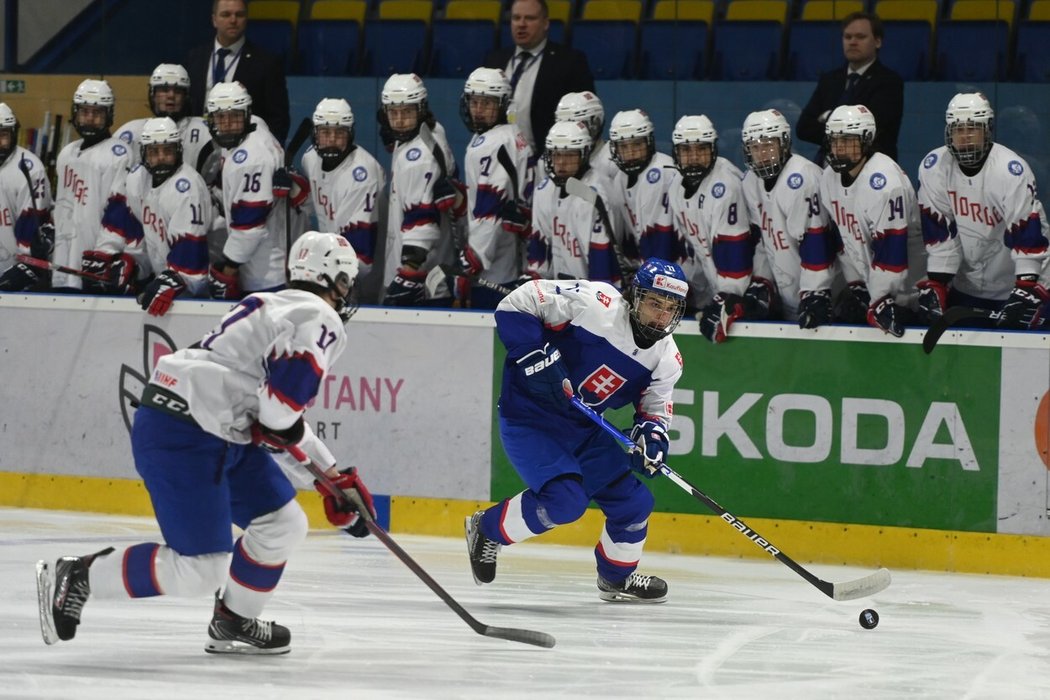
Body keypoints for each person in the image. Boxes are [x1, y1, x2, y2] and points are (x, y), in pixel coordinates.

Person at [35, 231, 375, 655]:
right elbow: (278, 415)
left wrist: (333, 476)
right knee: (200, 569)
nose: (346, 292)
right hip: (188, 431)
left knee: (283, 523)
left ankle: (234, 620)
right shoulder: (317, 315)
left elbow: (274, 418)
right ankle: (81, 575)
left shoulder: (276, 303)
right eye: (345, 280)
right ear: (332, 278)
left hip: (207, 425)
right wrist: (330, 479)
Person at [465, 259, 687, 603]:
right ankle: (486, 528)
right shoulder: (595, 303)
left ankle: (616, 579)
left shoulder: (667, 358)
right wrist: (532, 352)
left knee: (634, 503)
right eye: (654, 303)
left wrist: (652, 438)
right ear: (635, 296)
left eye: (670, 308)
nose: (661, 315)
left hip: (583, 428)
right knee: (565, 503)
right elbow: (516, 302)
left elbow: (655, 410)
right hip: (530, 417)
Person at [916, 92, 1050, 329]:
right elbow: (940, 236)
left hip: (1028, 285)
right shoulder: (934, 167)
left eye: (972, 128)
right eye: (958, 129)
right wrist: (937, 285)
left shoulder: (1011, 170)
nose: (965, 136)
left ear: (987, 130)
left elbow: (1028, 238)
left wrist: (1028, 288)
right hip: (969, 286)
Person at [665, 115, 774, 343]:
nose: (694, 158)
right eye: (686, 151)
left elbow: (736, 257)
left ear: (713, 149)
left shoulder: (725, 186)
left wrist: (726, 299)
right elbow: (695, 249)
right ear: (676, 153)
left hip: (752, 290)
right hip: (722, 286)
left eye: (701, 149)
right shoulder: (676, 186)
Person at [93, 117, 213, 316]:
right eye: (153, 152)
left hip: (192, 294)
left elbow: (192, 255)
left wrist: (173, 281)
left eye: (168, 151)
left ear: (179, 151)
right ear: (143, 153)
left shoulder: (187, 189)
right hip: (163, 281)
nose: (161, 157)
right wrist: (132, 263)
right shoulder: (137, 179)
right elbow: (139, 230)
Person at [820, 105, 922, 337]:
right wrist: (857, 286)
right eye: (834, 141)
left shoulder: (884, 182)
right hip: (874, 293)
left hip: (909, 294)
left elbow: (892, 256)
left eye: (847, 140)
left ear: (867, 140)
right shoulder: (829, 178)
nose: (839, 148)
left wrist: (880, 298)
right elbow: (844, 240)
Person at [205, 81, 306, 300]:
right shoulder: (256, 125)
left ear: (247, 114)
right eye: (221, 117)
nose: (228, 124)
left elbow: (249, 227)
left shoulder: (250, 160)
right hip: (272, 256)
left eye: (234, 116)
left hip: (265, 271)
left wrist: (229, 268)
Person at [740, 109, 838, 328]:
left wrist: (815, 292)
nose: (762, 154)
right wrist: (762, 282)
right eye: (755, 147)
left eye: (768, 145)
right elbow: (762, 240)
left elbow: (817, 243)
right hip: (789, 299)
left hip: (825, 300)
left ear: (784, 144)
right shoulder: (749, 182)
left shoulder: (802, 178)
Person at [376, 73, 462, 307]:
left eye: (407, 112)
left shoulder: (419, 158)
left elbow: (421, 222)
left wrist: (408, 274)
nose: (401, 120)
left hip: (421, 280)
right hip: (435, 271)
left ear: (421, 109)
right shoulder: (433, 131)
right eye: (394, 113)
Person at [458, 67, 534, 309]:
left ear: (502, 105)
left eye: (487, 103)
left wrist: (473, 259)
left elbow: (490, 207)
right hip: (518, 256)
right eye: (475, 102)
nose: (479, 110)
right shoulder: (513, 134)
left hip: (496, 267)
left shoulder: (492, 143)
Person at [50, 79, 134, 293]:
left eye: (97, 113)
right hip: (63, 257)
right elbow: (62, 205)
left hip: (96, 263)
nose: (89, 119)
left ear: (109, 116)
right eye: (84, 112)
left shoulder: (119, 154)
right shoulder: (67, 152)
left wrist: (105, 253)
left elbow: (120, 210)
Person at [483, 0, 595, 153]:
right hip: (497, 156)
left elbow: (586, 116)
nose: (521, 24)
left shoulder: (569, 62)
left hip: (547, 159)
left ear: (545, 23)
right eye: (516, 18)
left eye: (530, 18)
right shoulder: (495, 60)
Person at [300, 97, 385, 291]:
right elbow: (319, 204)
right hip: (330, 267)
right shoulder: (310, 159)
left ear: (350, 134)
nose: (331, 139)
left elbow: (360, 256)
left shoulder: (362, 173)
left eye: (339, 133)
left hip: (358, 275)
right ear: (315, 134)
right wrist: (297, 193)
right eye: (325, 133)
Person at [796, 12, 904, 165]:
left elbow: (872, 132)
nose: (852, 42)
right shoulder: (829, 80)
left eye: (860, 37)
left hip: (873, 169)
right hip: (828, 167)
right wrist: (846, 132)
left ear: (878, 41)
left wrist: (827, 119)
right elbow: (804, 128)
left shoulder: (889, 82)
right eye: (848, 37)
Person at [527, 120, 619, 284]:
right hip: (560, 291)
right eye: (557, 155)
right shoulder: (544, 190)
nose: (561, 163)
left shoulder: (596, 194)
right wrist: (535, 280)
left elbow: (602, 260)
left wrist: (597, 299)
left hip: (591, 293)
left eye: (569, 155)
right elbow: (540, 246)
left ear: (584, 154)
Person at [186, 0, 290, 142]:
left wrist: (266, 149)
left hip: (245, 148)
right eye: (226, 14)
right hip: (198, 143)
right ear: (214, 20)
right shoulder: (195, 58)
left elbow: (279, 119)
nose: (233, 20)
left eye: (239, 14)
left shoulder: (266, 63)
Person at [113, 64, 212, 174]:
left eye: (178, 91)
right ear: (152, 94)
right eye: (164, 90)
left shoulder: (204, 129)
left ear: (186, 97)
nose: (171, 95)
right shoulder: (132, 131)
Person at [607, 109, 676, 267]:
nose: (631, 153)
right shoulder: (620, 179)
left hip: (679, 267)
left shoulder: (662, 172)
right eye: (624, 147)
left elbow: (662, 238)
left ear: (649, 142)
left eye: (637, 144)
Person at [0, 102, 55, 292]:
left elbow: (35, 234)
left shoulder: (29, 169)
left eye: (3, 135)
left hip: (17, 282)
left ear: (14, 134)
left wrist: (27, 266)